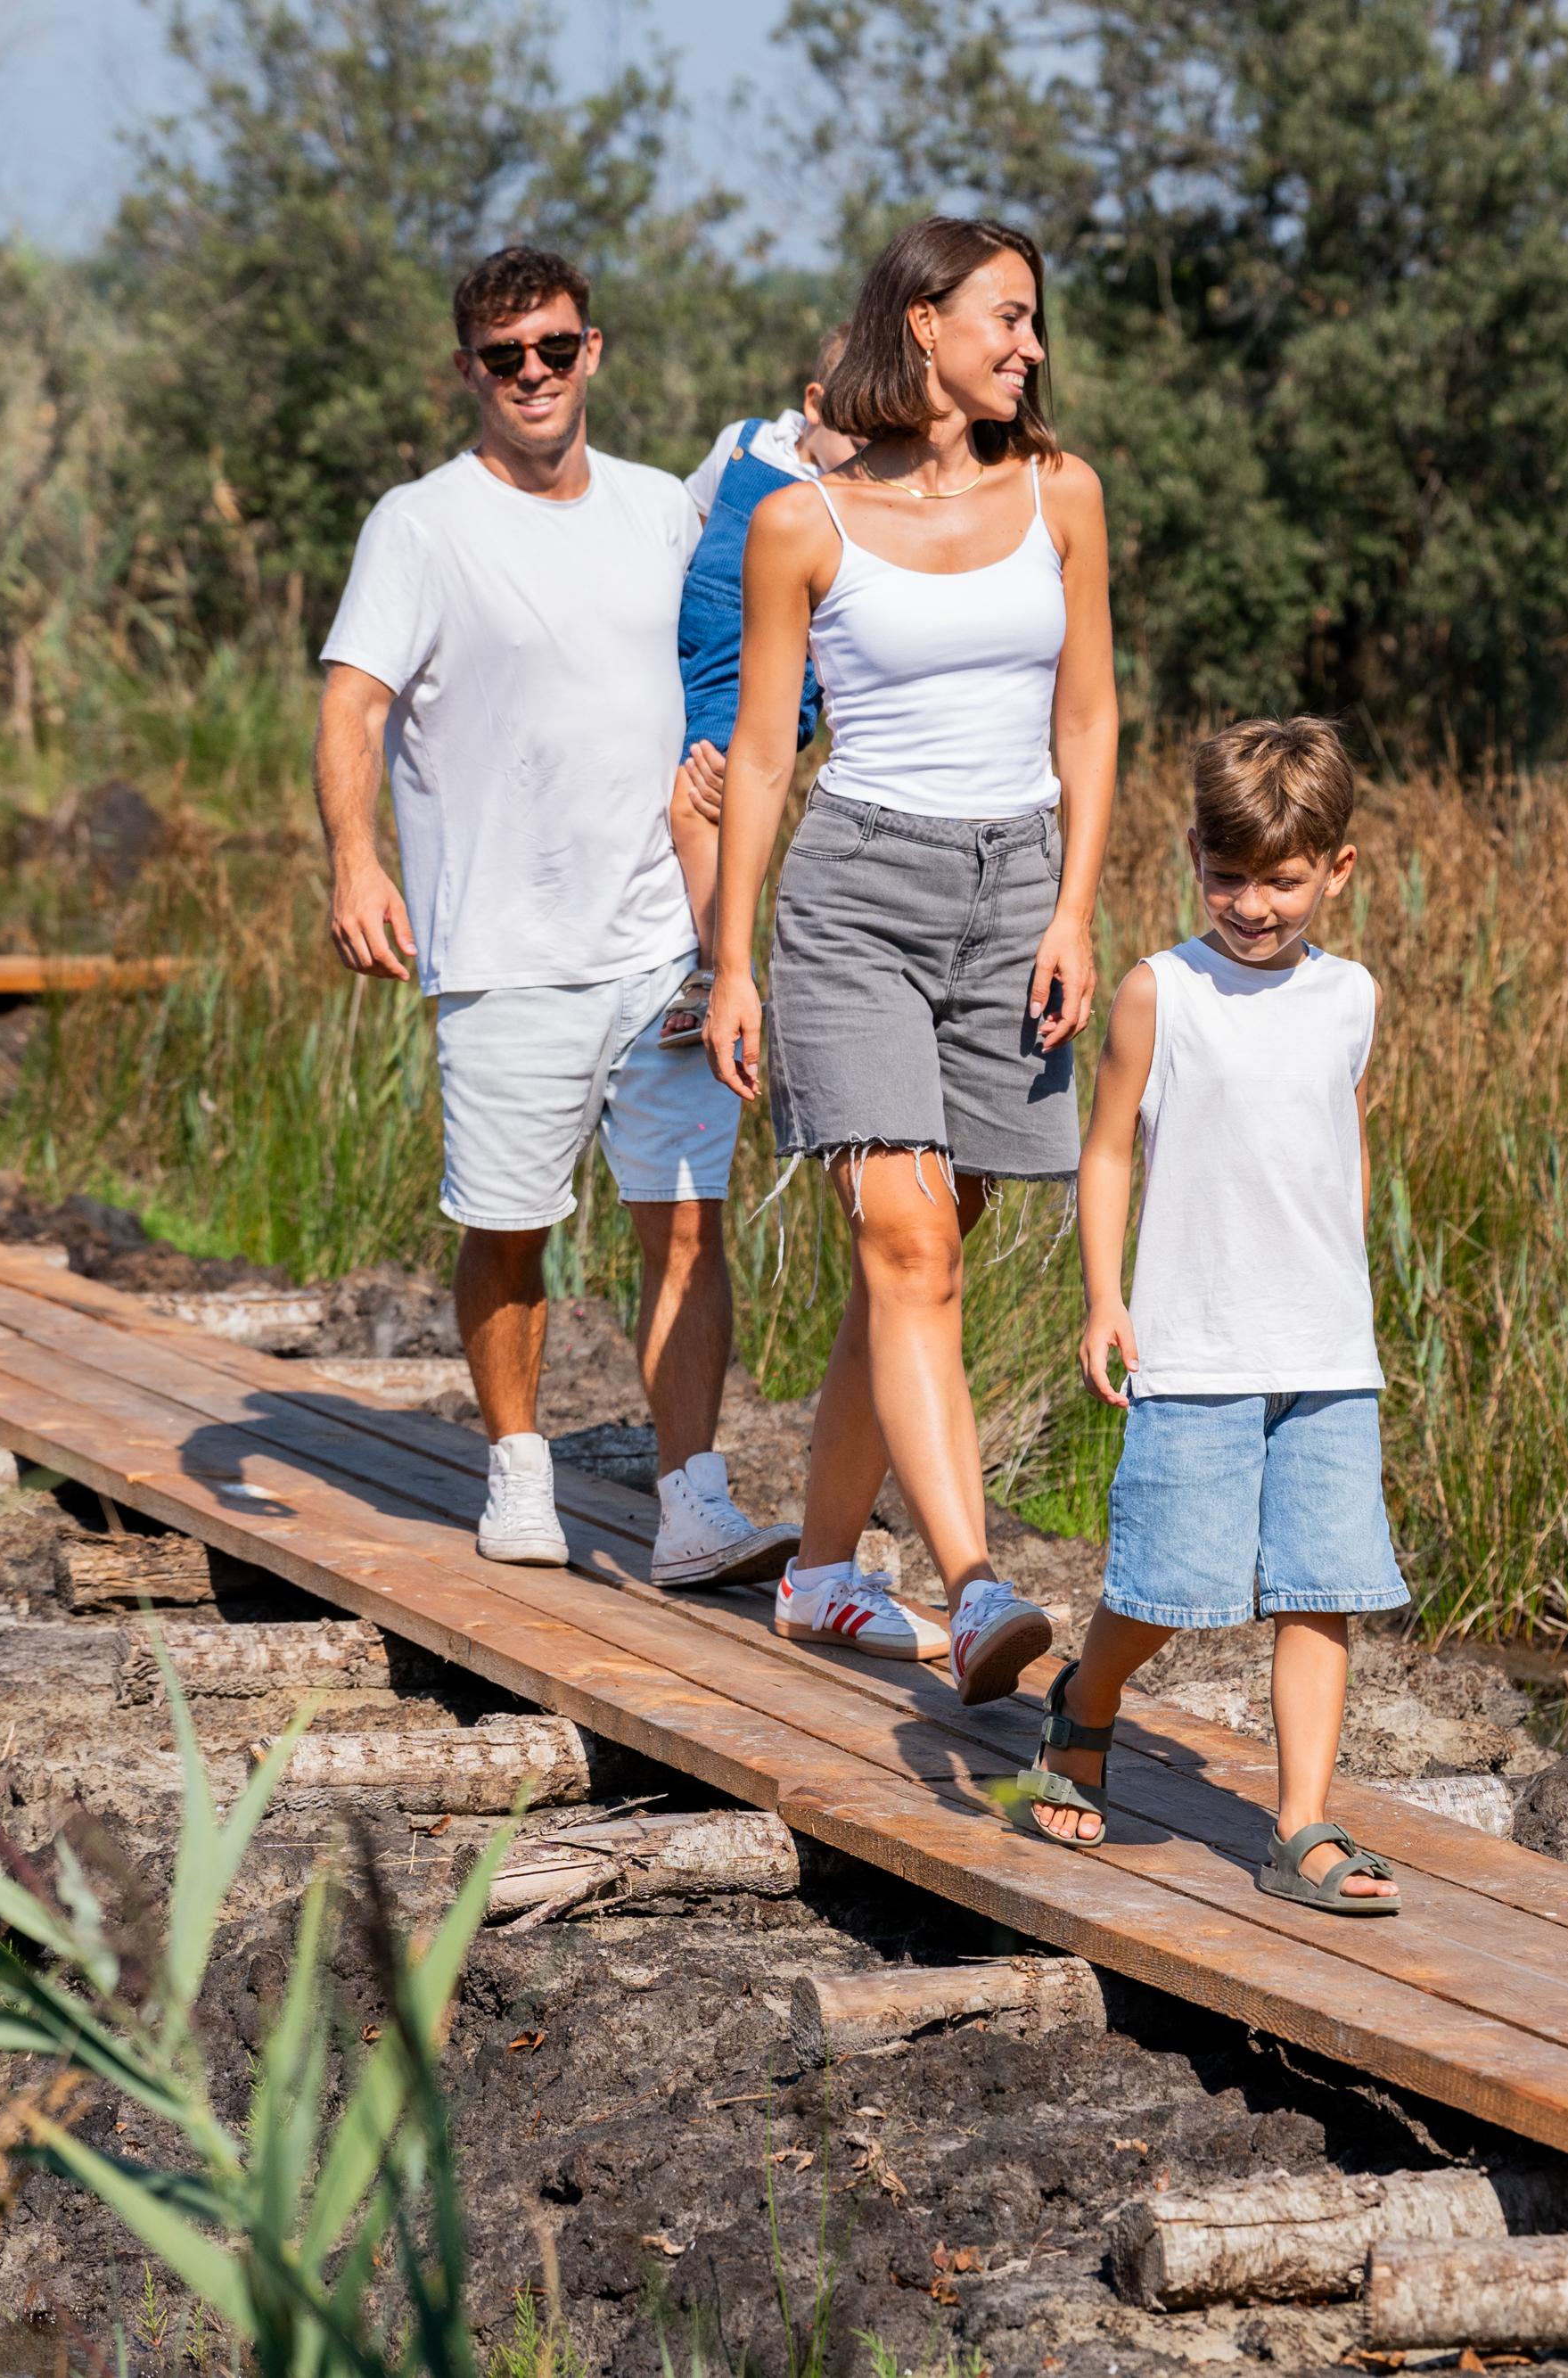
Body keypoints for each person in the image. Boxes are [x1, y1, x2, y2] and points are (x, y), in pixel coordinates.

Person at [315, 244, 798, 1592]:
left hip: (665, 942)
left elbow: (737, 639)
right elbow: (352, 701)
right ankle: (519, 1464)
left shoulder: (658, 509)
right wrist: (356, 862)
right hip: (502, 950)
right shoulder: (421, 524)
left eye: (555, 348)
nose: (532, 374)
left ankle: (691, 1494)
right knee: (509, 1225)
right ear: (466, 370)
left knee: (688, 1219)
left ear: (595, 353)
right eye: (503, 355)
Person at [702, 217, 1121, 1693]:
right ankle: (976, 1580)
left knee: (921, 1266)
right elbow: (761, 757)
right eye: (1005, 317)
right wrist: (735, 959)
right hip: (857, 898)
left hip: (1014, 902)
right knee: (909, 1244)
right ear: (922, 323)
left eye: (1034, 323)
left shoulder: (1062, 495)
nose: (1030, 345)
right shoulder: (797, 522)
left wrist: (1072, 909)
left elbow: (1087, 721)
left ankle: (820, 1576)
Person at [1001, 719, 1405, 1915]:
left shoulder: (1351, 997)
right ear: (1191, 855)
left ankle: (1302, 1827)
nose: (1253, 904)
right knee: (1168, 1578)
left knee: (1318, 1582)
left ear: (1335, 869)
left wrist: (1351, 1276)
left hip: (1327, 1346)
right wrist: (1105, 1295)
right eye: (1227, 875)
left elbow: (1344, 1139)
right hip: (1196, 1339)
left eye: (1281, 878)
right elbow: (1111, 1147)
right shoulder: (1159, 991)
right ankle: (1088, 1694)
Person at [657, 331, 861, 1037]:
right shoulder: (741, 443)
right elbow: (690, 530)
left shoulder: (849, 504)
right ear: (814, 404)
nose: (865, 450)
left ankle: (720, 969)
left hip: (752, 672)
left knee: (695, 804)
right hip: (684, 647)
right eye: (856, 427)